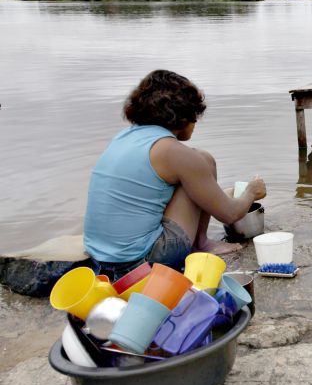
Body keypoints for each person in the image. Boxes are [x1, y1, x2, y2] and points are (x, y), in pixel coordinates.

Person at [83, 69, 266, 280]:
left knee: (199, 161)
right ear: (184, 115)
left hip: (100, 257)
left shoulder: (124, 138)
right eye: (195, 115)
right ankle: (199, 245)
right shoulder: (172, 151)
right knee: (202, 162)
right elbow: (229, 214)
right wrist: (252, 192)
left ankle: (201, 242)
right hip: (142, 261)